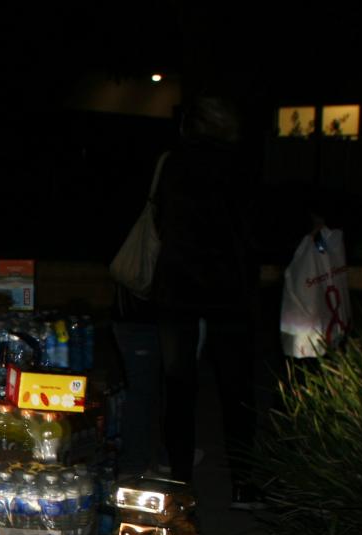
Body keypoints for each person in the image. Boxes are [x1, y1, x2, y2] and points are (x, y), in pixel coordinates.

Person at [151, 96, 261, 506]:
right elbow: (252, 229)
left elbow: (162, 219)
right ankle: (243, 483)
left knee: (179, 387)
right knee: (236, 389)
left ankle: (180, 480)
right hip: (227, 290)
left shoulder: (176, 163)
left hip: (180, 288)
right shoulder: (240, 165)